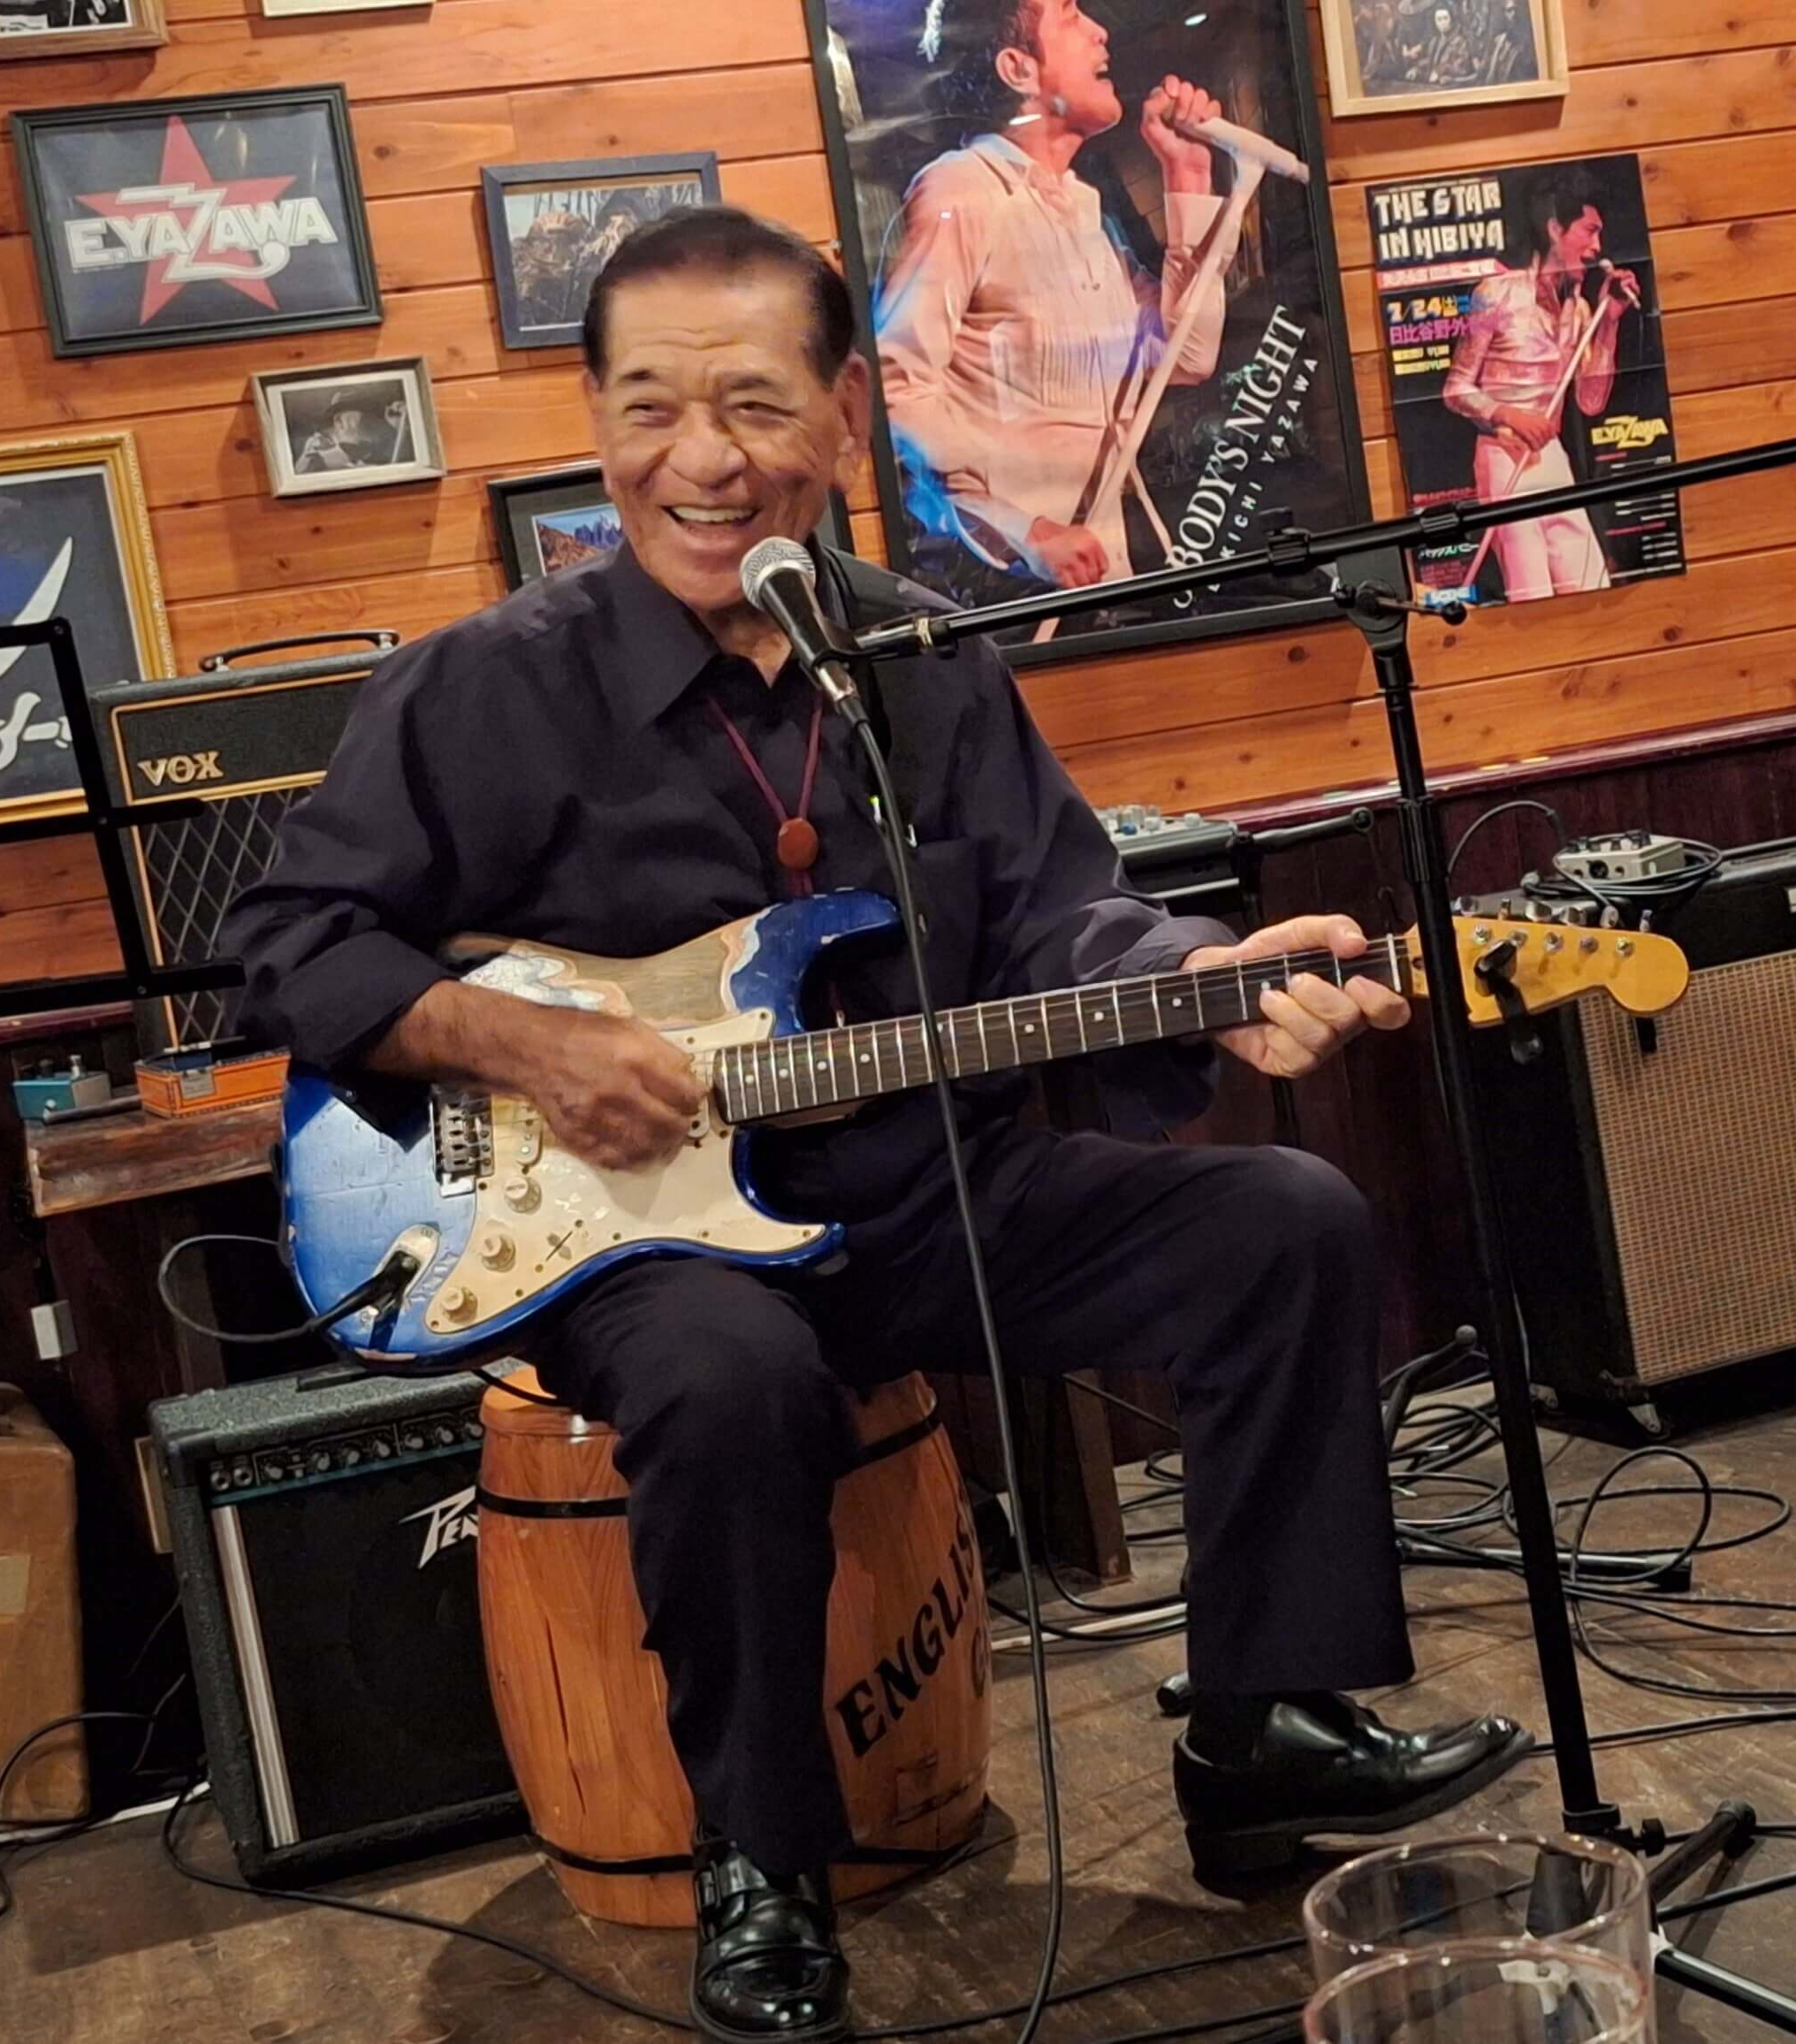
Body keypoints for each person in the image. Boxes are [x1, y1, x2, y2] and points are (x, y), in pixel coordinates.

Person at [222, 207, 1529, 2044]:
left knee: (1283, 1222)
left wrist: (1207, 972)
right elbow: (281, 946)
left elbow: (1059, 919)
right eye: (650, 406)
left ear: (845, 413)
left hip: (935, 1194)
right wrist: (518, 1040)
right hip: (640, 1244)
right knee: (729, 1377)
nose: (700, 459)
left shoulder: (924, 658)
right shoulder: (481, 687)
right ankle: (760, 1864)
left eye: (753, 405)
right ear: (595, 421)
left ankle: (1260, 1728)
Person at [871, 0, 1249, 591]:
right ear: (1017, 69)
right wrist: (1026, 531)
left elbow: (1189, 356)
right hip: (1006, 593)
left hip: (1099, 581)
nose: (1100, 32)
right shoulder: (962, 191)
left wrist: (1188, 179)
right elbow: (896, 387)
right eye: (1072, 16)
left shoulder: (1083, 211)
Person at [1441, 169, 1637, 602]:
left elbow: (1590, 401)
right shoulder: (1497, 294)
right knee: (1531, 594)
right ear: (1554, 228)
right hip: (1503, 456)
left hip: (1551, 458)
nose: (1597, 247)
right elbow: (1455, 389)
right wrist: (1510, 415)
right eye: (1590, 231)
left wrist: (1609, 323)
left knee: (1590, 585)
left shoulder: (1578, 311)